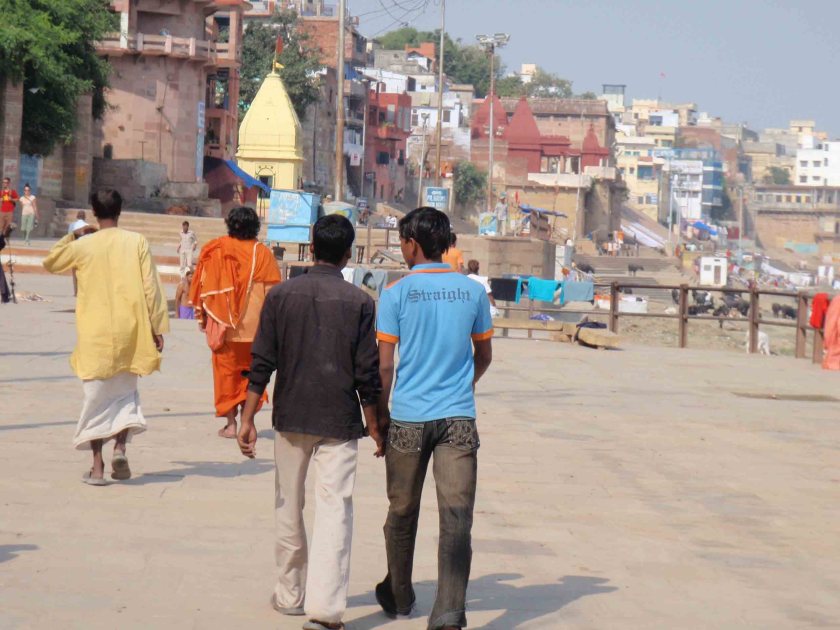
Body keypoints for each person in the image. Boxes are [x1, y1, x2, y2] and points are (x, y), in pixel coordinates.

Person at [237, 214, 383, 630]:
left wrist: (247, 418)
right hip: (339, 420)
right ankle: (326, 610)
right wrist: (374, 424)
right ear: (348, 254)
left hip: (291, 416)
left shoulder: (281, 297)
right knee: (335, 509)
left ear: (312, 248)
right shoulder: (359, 302)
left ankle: (289, 594)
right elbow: (366, 373)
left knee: (289, 504)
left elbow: (261, 363)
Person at [374, 207, 494, 630]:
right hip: (458, 419)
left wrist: (380, 417)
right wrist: (463, 385)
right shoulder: (473, 292)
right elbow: (484, 356)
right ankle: (447, 613)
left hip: (407, 417)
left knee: (402, 510)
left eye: (402, 242)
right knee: (457, 516)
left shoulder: (396, 294)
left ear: (411, 243)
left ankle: (400, 594)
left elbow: (385, 367)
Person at [42, 189, 169, 486]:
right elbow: (152, 287)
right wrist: (156, 327)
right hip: (131, 332)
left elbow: (51, 262)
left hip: (95, 334)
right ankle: (121, 448)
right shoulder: (136, 242)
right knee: (124, 394)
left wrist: (74, 235)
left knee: (96, 399)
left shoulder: (84, 245)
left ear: (94, 212)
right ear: (120, 210)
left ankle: (98, 467)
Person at [190, 206, 280, 439]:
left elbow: (203, 287)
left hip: (224, 327)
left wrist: (205, 317)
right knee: (253, 375)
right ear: (255, 227)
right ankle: (247, 422)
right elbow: (273, 294)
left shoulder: (217, 249)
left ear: (231, 225)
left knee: (226, 376)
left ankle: (231, 425)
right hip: (257, 330)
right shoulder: (263, 253)